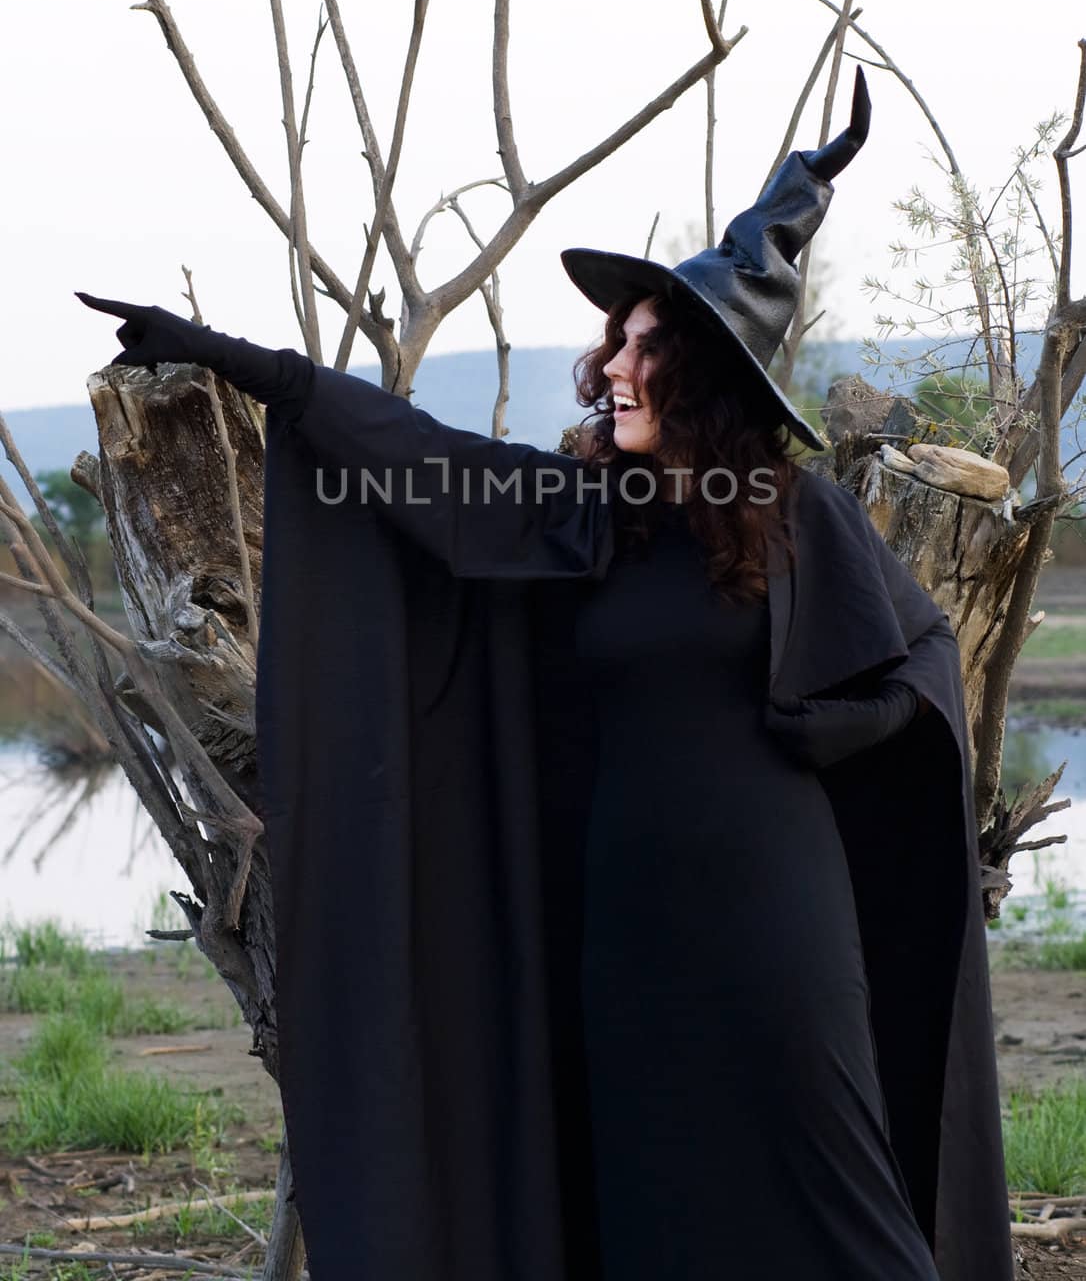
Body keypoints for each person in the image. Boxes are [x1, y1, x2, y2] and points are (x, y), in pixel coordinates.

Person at [75, 69, 1014, 1281]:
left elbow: (924, 653)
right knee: (650, 1203)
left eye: (645, 350)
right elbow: (424, 461)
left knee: (836, 1200)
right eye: (617, 342)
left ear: (710, 380)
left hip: (773, 916)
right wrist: (241, 362)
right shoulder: (589, 514)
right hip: (623, 926)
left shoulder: (791, 512)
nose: (615, 366)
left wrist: (849, 720)